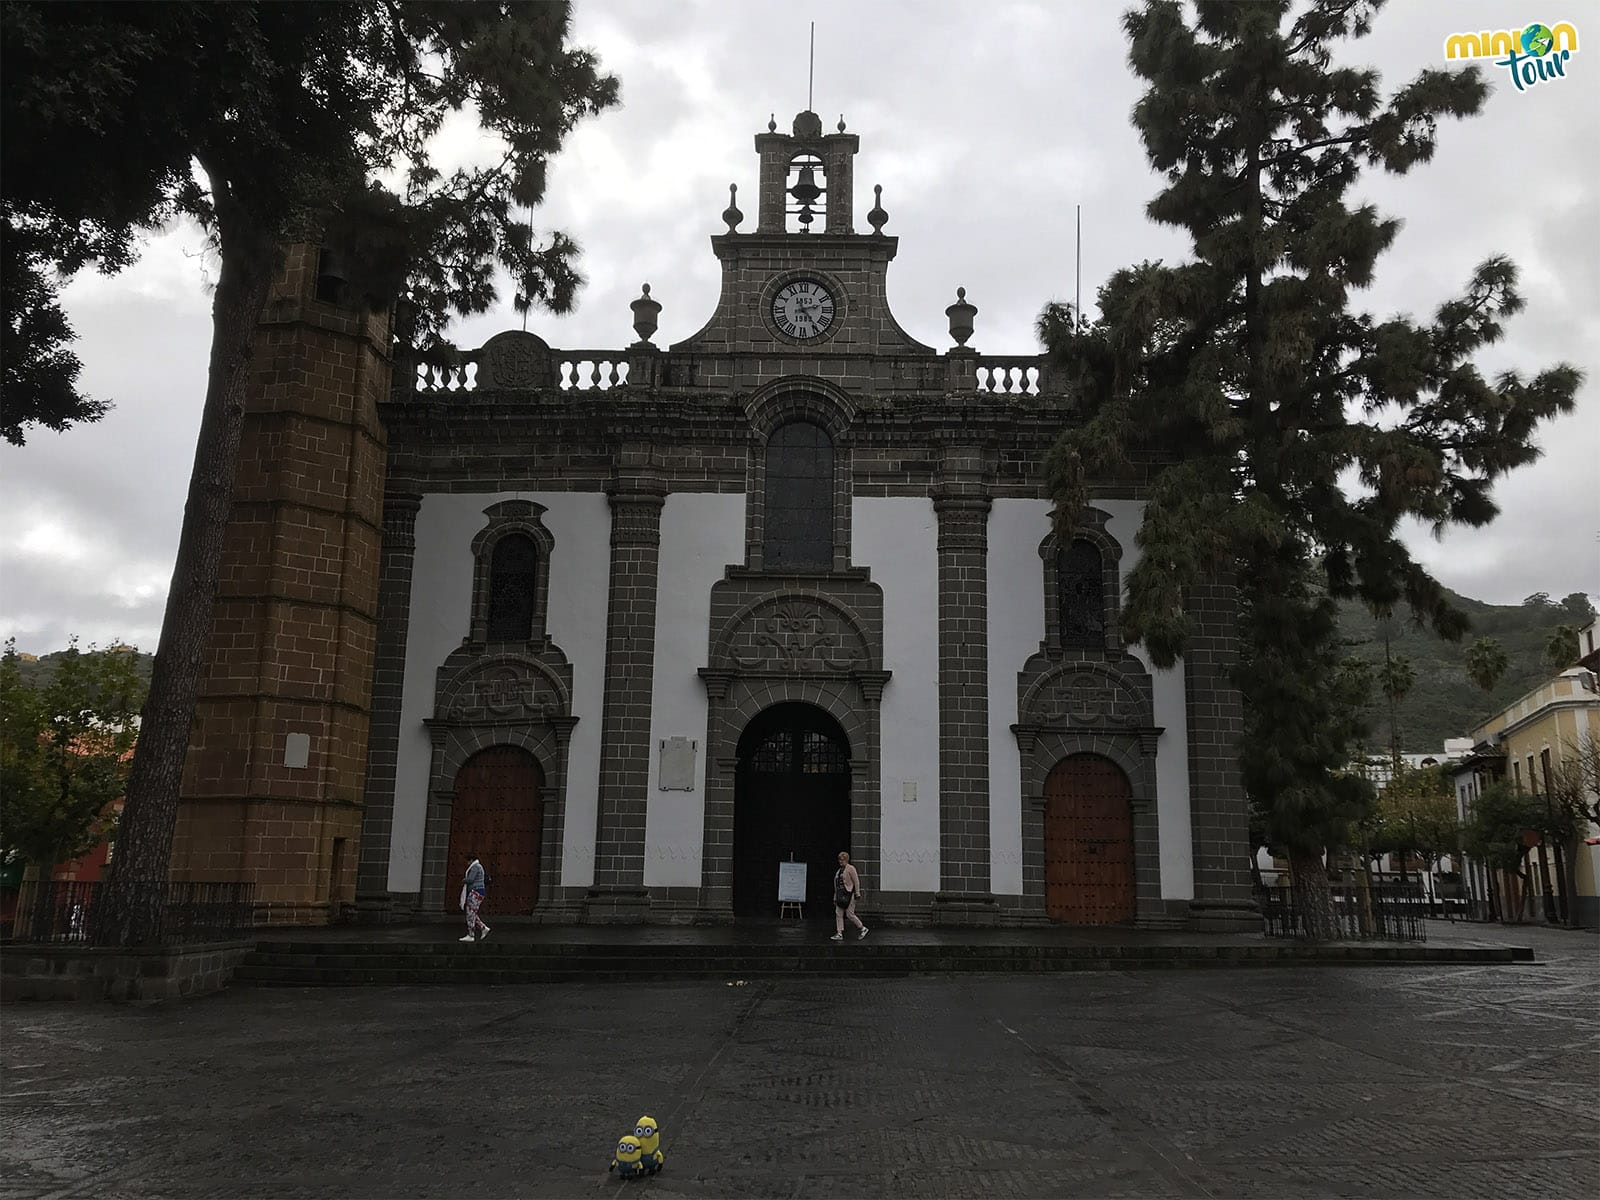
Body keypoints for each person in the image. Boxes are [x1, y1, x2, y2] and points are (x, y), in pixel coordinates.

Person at [831, 851, 867, 941]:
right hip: (840, 894)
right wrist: (835, 897)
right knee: (838, 912)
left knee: (849, 914)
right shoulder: (839, 871)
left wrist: (857, 893)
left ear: (846, 860)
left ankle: (862, 928)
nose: (840, 861)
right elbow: (836, 886)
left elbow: (856, 881)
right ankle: (839, 933)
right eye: (839, 860)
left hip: (849, 894)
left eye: (842, 860)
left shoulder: (850, 868)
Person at [459, 855, 490, 942]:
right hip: (478, 891)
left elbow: (470, 879)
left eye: (468, 861)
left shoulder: (475, 867)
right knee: (472, 912)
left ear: (471, 860)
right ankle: (483, 928)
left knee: (470, 913)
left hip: (475, 892)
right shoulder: (478, 866)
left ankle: (471, 934)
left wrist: (464, 880)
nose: (467, 863)